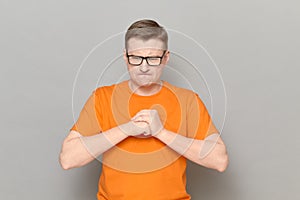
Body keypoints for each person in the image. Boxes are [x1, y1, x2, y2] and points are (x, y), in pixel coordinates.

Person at [59, 19, 229, 200]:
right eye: (136, 58)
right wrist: (127, 129)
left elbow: (219, 160)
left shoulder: (187, 101)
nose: (144, 67)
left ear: (165, 58)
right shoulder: (102, 98)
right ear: (125, 57)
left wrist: (161, 132)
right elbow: (68, 159)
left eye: (153, 58)